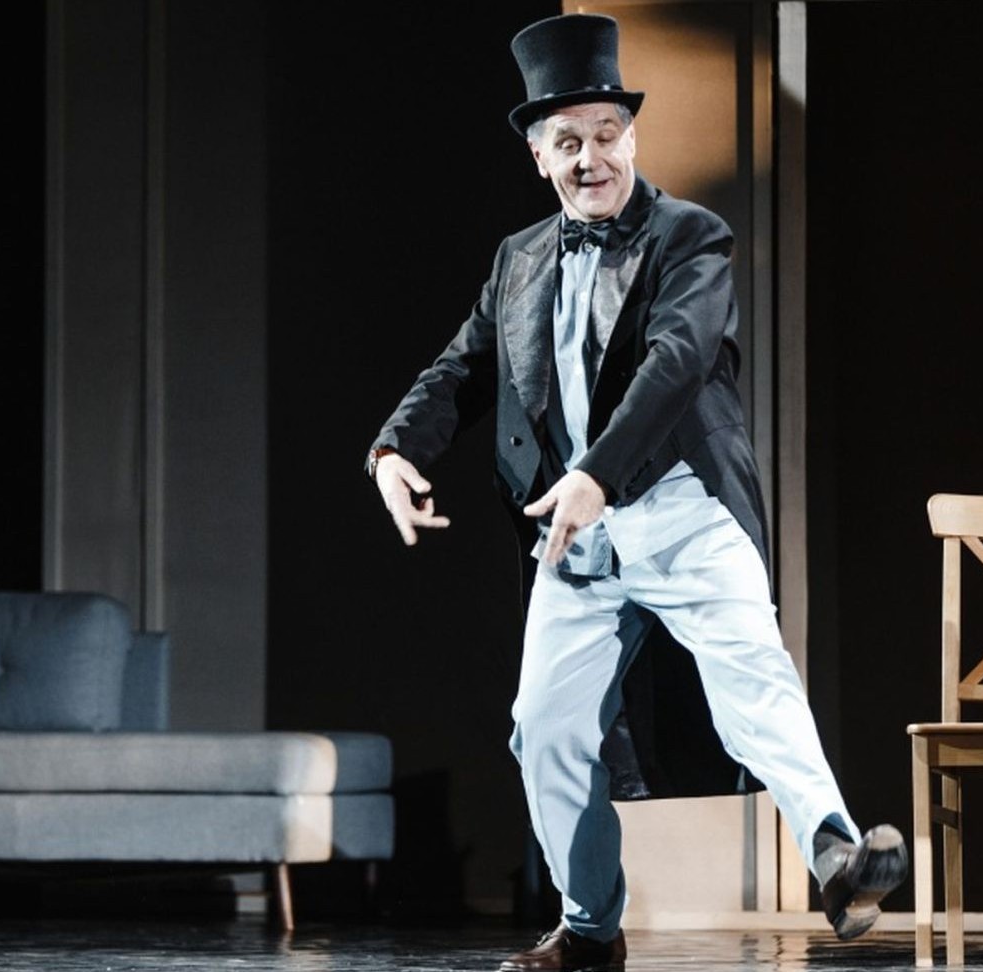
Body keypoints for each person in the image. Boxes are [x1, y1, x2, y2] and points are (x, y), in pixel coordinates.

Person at [366, 13, 906, 971]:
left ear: (633, 137)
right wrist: (394, 450)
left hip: (682, 509)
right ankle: (588, 929)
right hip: (576, 539)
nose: (591, 159)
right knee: (545, 729)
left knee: (751, 674)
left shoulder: (690, 236)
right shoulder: (519, 259)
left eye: (607, 135)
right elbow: (463, 368)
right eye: (568, 142)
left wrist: (596, 474)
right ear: (540, 157)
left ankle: (835, 852)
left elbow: (676, 361)